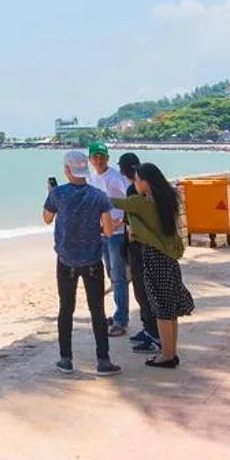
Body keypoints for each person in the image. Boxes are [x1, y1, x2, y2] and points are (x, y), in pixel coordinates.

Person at [43, 150, 121, 375]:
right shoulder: (98, 196)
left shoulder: (58, 194)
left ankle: (66, 359)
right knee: (97, 310)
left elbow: (47, 219)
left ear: (67, 170)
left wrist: (51, 195)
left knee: (66, 308)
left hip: (66, 260)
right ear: (85, 169)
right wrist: (114, 225)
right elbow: (107, 230)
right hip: (92, 261)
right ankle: (103, 361)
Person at [110, 162, 192, 368]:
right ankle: (170, 351)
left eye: (137, 180)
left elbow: (112, 202)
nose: (135, 184)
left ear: (146, 182)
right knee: (170, 308)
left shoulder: (141, 203)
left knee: (161, 309)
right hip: (169, 258)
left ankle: (166, 355)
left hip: (154, 258)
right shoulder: (168, 199)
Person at [86, 142, 131, 336]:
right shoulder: (91, 178)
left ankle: (121, 320)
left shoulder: (115, 177)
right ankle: (118, 312)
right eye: (95, 156)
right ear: (89, 159)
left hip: (117, 235)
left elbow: (131, 201)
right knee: (111, 274)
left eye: (102, 156)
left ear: (107, 158)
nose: (98, 159)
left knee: (119, 277)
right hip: (100, 233)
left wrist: (120, 222)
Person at [115, 152, 155, 349]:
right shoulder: (151, 189)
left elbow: (130, 223)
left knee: (142, 291)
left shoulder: (133, 190)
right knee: (146, 291)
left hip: (138, 248)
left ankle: (152, 332)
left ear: (122, 169)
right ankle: (149, 329)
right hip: (148, 247)